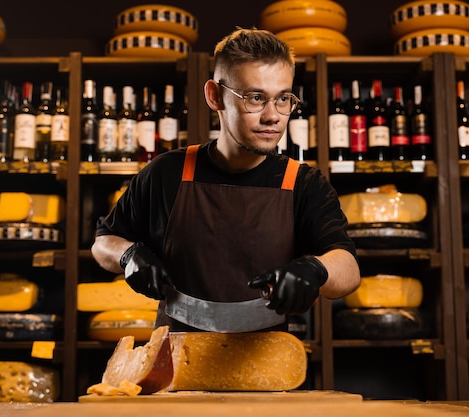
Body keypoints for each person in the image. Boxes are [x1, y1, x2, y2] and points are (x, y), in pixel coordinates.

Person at [91, 27, 361, 332]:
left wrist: (318, 268)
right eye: (256, 97)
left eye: (283, 99)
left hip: (268, 368)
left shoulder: (304, 183)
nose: (273, 116)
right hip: (178, 364)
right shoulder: (166, 172)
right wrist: (127, 255)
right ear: (215, 96)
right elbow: (103, 243)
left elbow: (349, 270)